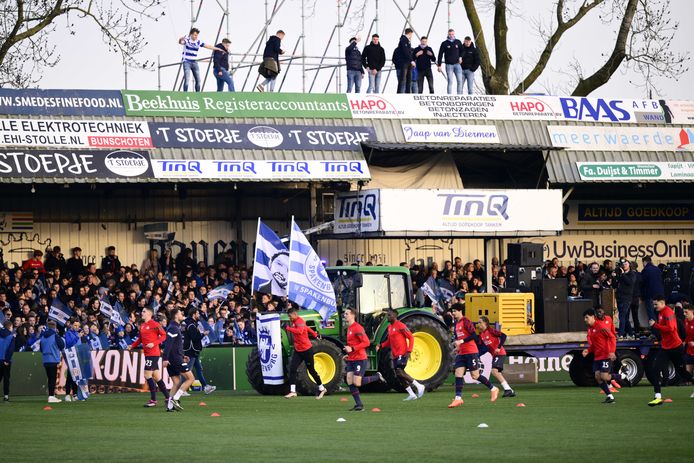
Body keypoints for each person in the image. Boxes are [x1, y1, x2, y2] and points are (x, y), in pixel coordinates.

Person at [448, 304, 498, 408]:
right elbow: (460, 339)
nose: (453, 313)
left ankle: (493, 389)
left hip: (471, 352)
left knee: (475, 375)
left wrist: (461, 341)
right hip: (462, 353)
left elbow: (474, 336)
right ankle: (458, 398)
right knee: (458, 373)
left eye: (454, 311)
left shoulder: (466, 321)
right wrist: (457, 347)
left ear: (460, 311)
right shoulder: (457, 324)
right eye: (452, 311)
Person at [646, 296, 688, 406]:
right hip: (665, 348)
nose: (654, 307)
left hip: (675, 347)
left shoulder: (667, 312)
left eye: (656, 304)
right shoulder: (660, 313)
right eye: (654, 304)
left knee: (682, 372)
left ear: (662, 303)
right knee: (654, 369)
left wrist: (655, 325)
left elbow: (671, 328)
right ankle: (657, 397)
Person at [377, 308, 424, 401]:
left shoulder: (400, 325)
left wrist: (409, 351)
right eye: (387, 315)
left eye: (389, 315)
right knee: (398, 375)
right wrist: (381, 345)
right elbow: (389, 341)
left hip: (402, 353)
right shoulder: (390, 327)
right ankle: (411, 394)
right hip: (395, 355)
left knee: (399, 371)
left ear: (395, 316)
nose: (388, 316)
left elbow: (411, 337)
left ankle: (419, 385)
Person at [343, 307, 384, 411]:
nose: (344, 315)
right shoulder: (349, 328)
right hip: (352, 359)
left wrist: (352, 348)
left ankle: (377, 377)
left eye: (347, 313)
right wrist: (349, 354)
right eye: (344, 313)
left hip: (360, 359)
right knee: (349, 381)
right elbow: (352, 343)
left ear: (353, 315)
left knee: (357, 382)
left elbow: (366, 342)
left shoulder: (357, 328)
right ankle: (359, 405)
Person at [128, 307, 169, 407]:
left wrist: (154, 343)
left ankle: (153, 400)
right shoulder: (142, 326)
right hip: (148, 354)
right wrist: (132, 345)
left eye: (144, 311)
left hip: (153, 353)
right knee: (156, 377)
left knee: (147, 375)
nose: (142, 313)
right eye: (142, 311)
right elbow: (140, 339)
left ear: (149, 314)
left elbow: (164, 335)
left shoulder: (155, 324)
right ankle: (168, 398)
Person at [283, 307, 326, 399]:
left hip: (307, 350)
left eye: (290, 316)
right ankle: (293, 391)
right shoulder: (296, 322)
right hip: (298, 350)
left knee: (311, 371)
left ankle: (322, 388)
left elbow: (300, 331)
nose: (289, 318)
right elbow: (307, 328)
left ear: (295, 314)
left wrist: (287, 328)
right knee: (293, 369)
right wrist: (315, 335)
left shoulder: (299, 321)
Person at [582, 309, 618, 404]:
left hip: (605, 355)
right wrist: (588, 350)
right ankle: (610, 397)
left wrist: (612, 351)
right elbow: (594, 345)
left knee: (604, 377)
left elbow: (612, 337)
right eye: (584, 318)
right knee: (598, 377)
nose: (585, 320)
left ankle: (622, 375)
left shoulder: (601, 326)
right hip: (597, 356)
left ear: (593, 317)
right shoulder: (590, 329)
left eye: (587, 317)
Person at [163, 308, 194, 412]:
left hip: (175, 358)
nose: (182, 315)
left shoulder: (174, 327)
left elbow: (175, 345)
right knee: (190, 379)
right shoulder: (173, 328)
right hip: (175, 359)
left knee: (176, 382)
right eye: (180, 313)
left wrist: (183, 355)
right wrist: (165, 359)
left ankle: (169, 406)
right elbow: (168, 345)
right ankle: (176, 399)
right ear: (176, 316)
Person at [478, 316, 515, 397]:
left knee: (494, 371)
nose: (478, 324)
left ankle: (508, 390)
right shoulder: (481, 335)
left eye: (480, 322)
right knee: (496, 372)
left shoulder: (491, 331)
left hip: (500, 353)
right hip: (494, 355)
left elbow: (504, 336)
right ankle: (509, 390)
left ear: (485, 323)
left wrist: (498, 347)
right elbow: (483, 348)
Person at [183, 307, 216, 395]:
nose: (199, 315)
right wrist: (203, 334)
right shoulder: (191, 325)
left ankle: (205, 387)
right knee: (188, 369)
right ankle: (182, 389)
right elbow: (195, 338)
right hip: (191, 350)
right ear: (194, 314)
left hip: (194, 350)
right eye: (197, 314)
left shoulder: (193, 324)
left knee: (198, 369)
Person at [178, 28, 223, 92]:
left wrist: (217, 49)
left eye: (196, 35)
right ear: (191, 34)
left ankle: (198, 94)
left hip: (194, 62)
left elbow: (208, 46)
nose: (195, 36)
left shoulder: (198, 41)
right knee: (187, 79)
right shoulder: (187, 40)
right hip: (187, 62)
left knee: (198, 80)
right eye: (194, 35)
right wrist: (181, 38)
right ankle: (185, 93)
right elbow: (180, 42)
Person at [39, 320, 65, 403]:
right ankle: (51, 396)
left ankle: (51, 395)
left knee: (50, 378)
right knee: (52, 378)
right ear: (55, 327)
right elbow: (62, 345)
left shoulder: (42, 336)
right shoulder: (55, 336)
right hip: (53, 359)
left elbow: (41, 349)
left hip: (45, 360)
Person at [436, 29, 463, 94]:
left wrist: (460, 57)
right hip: (449, 65)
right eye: (450, 34)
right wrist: (439, 65)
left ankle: (459, 96)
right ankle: (449, 96)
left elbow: (462, 51)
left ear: (454, 34)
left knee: (460, 81)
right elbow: (440, 54)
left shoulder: (458, 42)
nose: (451, 35)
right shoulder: (444, 43)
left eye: (452, 34)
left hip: (457, 65)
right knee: (450, 81)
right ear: (448, 34)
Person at [615, 260, 637, 338]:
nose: (624, 265)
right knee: (624, 317)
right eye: (623, 264)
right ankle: (631, 333)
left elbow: (630, 282)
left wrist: (623, 274)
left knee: (622, 316)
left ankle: (621, 333)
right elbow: (616, 284)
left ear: (629, 265)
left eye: (626, 264)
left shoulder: (632, 274)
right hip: (619, 297)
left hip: (627, 298)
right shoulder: (620, 274)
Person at [640, 256, 664, 323]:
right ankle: (660, 330)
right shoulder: (657, 269)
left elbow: (641, 282)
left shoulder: (645, 270)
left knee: (651, 314)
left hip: (649, 295)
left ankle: (655, 331)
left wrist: (642, 295)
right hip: (660, 295)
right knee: (659, 313)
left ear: (644, 262)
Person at [63, 318, 82, 401]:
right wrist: (77, 337)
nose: (77, 327)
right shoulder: (68, 333)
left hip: (77, 356)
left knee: (76, 375)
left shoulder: (78, 334)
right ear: (71, 325)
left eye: (78, 325)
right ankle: (67, 394)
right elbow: (69, 344)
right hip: (71, 356)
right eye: (75, 325)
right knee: (71, 375)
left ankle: (74, 394)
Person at [394, 28, 414, 94]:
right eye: (411, 35)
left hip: (408, 64)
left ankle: (408, 94)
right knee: (402, 80)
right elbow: (406, 51)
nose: (411, 36)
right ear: (410, 33)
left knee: (408, 80)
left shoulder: (407, 41)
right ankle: (399, 94)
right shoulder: (403, 40)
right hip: (404, 63)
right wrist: (411, 60)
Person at [0, 319, 15, 401]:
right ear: (10, 327)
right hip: (5, 361)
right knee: (6, 378)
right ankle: (6, 396)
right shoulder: (11, 337)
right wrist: (7, 360)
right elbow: (10, 349)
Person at [683, 303, 694, 399]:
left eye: (686, 312)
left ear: (692, 311)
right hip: (689, 351)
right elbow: (687, 335)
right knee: (688, 374)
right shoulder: (686, 321)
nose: (684, 314)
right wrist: (684, 342)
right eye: (683, 312)